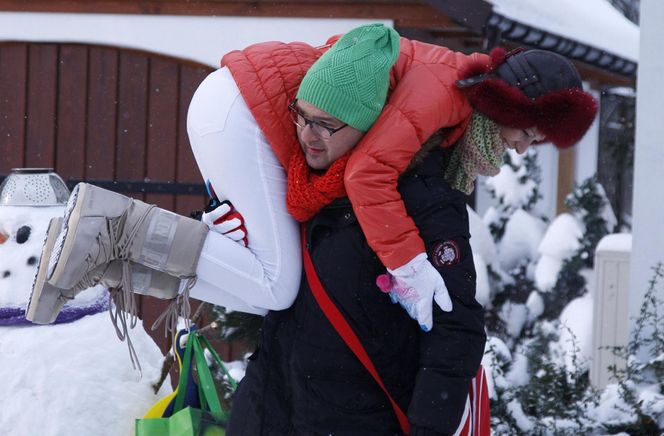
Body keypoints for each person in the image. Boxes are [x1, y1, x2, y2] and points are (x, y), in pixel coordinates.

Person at [27, 23, 597, 434]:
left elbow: (341, 182)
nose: (523, 150)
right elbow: (370, 174)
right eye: (529, 135)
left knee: (269, 276)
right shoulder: (438, 101)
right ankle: (117, 225)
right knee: (277, 284)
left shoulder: (437, 112)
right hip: (238, 114)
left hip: (230, 108)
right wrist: (410, 266)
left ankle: (114, 257)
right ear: (507, 112)